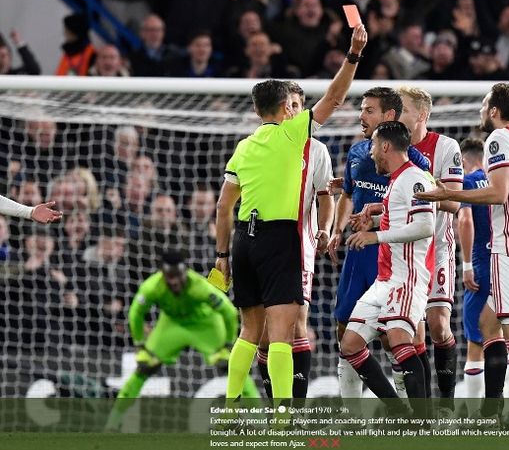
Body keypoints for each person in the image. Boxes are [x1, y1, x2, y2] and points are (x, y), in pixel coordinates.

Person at [215, 24, 367, 403]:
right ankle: (284, 419)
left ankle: (231, 413)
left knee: (248, 333)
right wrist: (353, 55)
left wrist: (221, 258)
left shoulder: (244, 147)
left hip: (242, 241)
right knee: (282, 334)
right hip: (281, 238)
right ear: (288, 108)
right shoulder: (292, 135)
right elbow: (334, 97)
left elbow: (223, 207)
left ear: (255, 109)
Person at [415, 82, 509, 434]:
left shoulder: (498, 139)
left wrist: (448, 193)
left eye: (484, 105)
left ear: (495, 111)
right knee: (488, 323)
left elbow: (498, 193)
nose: (482, 111)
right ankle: (490, 414)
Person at [326, 86, 429, 399]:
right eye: (362, 109)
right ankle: (354, 414)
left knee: (398, 339)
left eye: (368, 110)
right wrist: (339, 229)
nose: (361, 116)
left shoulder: (414, 165)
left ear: (388, 116)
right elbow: (347, 194)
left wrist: (376, 229)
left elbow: (424, 214)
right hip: (360, 251)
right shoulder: (359, 152)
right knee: (345, 332)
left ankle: (417, 416)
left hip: (396, 258)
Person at [340, 121, 435, 416]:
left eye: (372, 147)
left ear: (385, 146)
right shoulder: (396, 180)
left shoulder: (415, 178)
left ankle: (423, 421)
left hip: (407, 276)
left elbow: (426, 225)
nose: (369, 154)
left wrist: (375, 236)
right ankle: (401, 411)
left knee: (398, 341)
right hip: (386, 278)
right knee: (350, 345)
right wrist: (374, 219)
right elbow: (400, 221)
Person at [105, 249, 246, 432]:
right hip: (171, 325)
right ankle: (113, 424)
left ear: (184, 271)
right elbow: (135, 314)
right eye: (169, 277)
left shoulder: (199, 286)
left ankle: (260, 421)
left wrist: (228, 345)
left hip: (205, 324)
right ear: (162, 273)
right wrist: (140, 346)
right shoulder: (152, 287)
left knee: (232, 366)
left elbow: (228, 312)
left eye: (178, 276)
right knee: (144, 366)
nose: (174, 281)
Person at [256, 81, 334, 401]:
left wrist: (326, 228)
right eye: (290, 104)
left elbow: (326, 197)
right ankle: (278, 407)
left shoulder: (316, 150)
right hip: (261, 246)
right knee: (263, 336)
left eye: (299, 105)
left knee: (296, 326)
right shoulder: (257, 144)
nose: (295, 110)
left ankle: (297, 415)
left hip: (299, 245)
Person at [397, 86, 463, 414]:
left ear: (422, 115)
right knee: (407, 331)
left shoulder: (445, 147)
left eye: (403, 109)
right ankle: (420, 410)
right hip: (400, 252)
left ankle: (448, 405)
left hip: (436, 249)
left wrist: (417, 187)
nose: (396, 114)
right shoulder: (389, 145)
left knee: (437, 324)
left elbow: (453, 203)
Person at [457, 138, 509, 421]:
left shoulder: (469, 183)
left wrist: (467, 264)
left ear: (465, 160)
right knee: (507, 341)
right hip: (507, 265)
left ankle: (474, 417)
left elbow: (465, 221)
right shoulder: (504, 182)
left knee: (477, 344)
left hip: (481, 266)